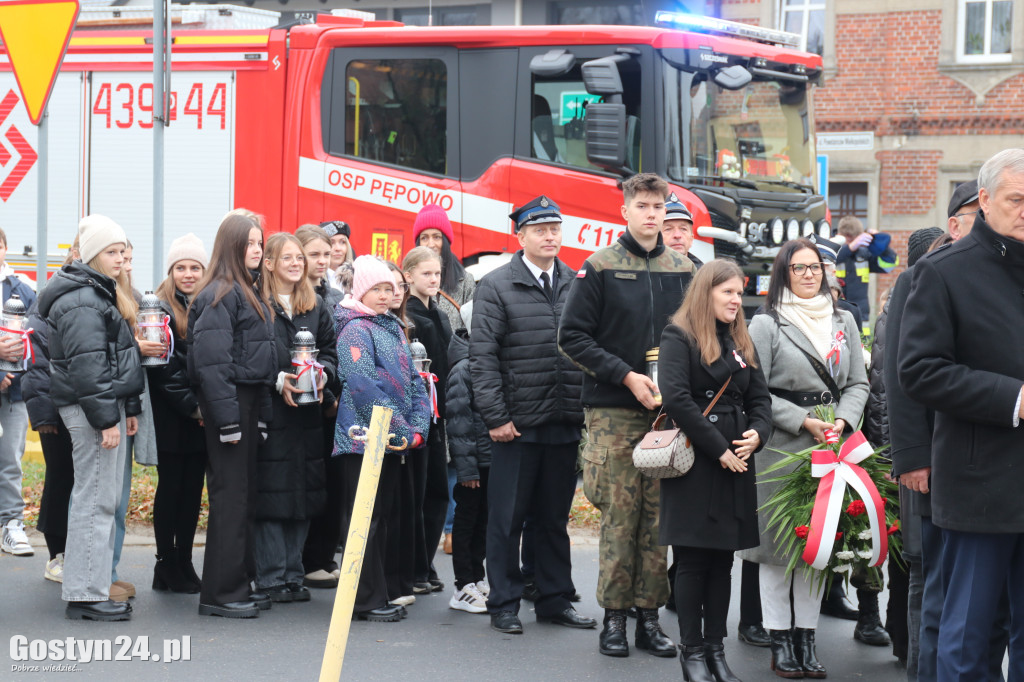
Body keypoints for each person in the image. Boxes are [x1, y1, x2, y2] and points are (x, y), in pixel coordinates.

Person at [898, 150, 1024, 681]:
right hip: (981, 487)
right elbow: (919, 370)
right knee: (967, 641)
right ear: (986, 201)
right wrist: (1014, 399)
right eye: (1018, 199)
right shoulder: (943, 272)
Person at [559, 173, 694, 658]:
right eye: (642, 205)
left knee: (660, 522)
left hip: (667, 415)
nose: (652, 214)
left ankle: (649, 618)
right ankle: (614, 619)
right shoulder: (599, 266)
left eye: (659, 206)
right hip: (615, 412)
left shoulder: (685, 268)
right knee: (620, 519)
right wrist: (626, 376)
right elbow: (572, 337)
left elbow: (699, 336)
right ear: (625, 211)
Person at [741, 238, 868, 679]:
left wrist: (844, 421)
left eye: (815, 267)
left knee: (819, 549)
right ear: (784, 273)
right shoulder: (766, 323)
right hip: (782, 445)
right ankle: (780, 640)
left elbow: (858, 383)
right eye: (800, 268)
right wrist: (801, 420)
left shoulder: (844, 319)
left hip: (833, 445)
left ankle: (806, 638)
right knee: (779, 549)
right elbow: (753, 390)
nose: (810, 274)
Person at [471, 195, 593, 634]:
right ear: (519, 235)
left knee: (553, 519)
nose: (549, 236)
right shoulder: (496, 285)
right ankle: (503, 601)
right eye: (540, 229)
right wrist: (495, 416)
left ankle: (555, 598)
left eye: (555, 228)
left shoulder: (576, 281)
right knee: (507, 519)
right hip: (516, 425)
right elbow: (481, 359)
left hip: (563, 419)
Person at [658, 259, 772, 682]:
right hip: (696, 459)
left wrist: (758, 433)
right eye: (728, 292)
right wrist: (719, 448)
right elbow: (676, 399)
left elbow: (761, 399)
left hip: (737, 462)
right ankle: (691, 652)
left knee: (723, 562)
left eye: (739, 293)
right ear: (707, 292)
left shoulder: (741, 340)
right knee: (691, 562)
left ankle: (715, 650)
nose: (736, 300)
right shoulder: (679, 335)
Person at [38, 215, 144, 621]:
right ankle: (85, 594)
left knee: (101, 498)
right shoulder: (82, 298)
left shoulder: (93, 292)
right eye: (112, 252)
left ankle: (94, 587)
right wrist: (106, 419)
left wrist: (127, 410)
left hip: (101, 408)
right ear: (93, 255)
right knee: (95, 499)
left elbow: (111, 361)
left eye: (122, 251)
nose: (120, 259)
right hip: (91, 412)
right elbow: (89, 368)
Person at [188, 209, 276, 619]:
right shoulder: (221, 293)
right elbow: (211, 364)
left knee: (244, 499)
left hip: (247, 402)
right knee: (230, 500)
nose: (257, 250)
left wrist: (258, 415)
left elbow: (259, 363)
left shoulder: (248, 289)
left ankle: (237, 584)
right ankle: (220, 594)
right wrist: (227, 421)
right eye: (250, 243)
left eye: (260, 243)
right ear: (232, 246)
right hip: (230, 404)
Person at [334, 255, 430, 622]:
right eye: (377, 288)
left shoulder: (390, 325)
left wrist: (418, 428)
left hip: (389, 439)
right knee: (364, 521)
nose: (385, 295)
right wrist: (401, 429)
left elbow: (414, 383)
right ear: (360, 290)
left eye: (390, 288)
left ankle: (378, 591)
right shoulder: (354, 329)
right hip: (361, 440)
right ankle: (364, 599)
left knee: (382, 516)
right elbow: (361, 385)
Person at [253, 233, 338, 604]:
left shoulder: (315, 304)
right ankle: (270, 577)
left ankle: (292, 574)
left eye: (298, 258)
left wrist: (324, 375)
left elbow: (332, 353)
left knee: (304, 495)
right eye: (286, 258)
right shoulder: (256, 303)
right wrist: (277, 379)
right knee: (272, 498)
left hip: (308, 415)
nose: (295, 264)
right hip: (271, 413)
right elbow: (249, 356)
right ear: (268, 263)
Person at [148, 233, 209, 594]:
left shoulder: (210, 304)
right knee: (170, 490)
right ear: (171, 271)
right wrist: (192, 406)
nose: (188, 274)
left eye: (195, 267)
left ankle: (184, 561)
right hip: (173, 416)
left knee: (192, 492)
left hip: (201, 416)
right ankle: (164, 564)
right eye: (181, 267)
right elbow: (163, 369)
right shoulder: (158, 307)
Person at [295, 224, 347, 589]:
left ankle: (324, 554)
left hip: (331, 400)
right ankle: (307, 558)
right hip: (306, 403)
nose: (321, 261)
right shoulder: (296, 297)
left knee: (332, 483)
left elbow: (334, 352)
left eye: (326, 254)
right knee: (307, 483)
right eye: (314, 254)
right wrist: (327, 397)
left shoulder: (335, 294)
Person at [403, 246, 452, 594]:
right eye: (426, 274)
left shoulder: (440, 313)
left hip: (440, 414)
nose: (433, 280)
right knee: (418, 494)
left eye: (437, 273)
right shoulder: (409, 316)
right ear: (408, 276)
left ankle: (425, 562)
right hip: (418, 414)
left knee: (436, 492)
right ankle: (415, 565)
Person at [446, 306, 492, 614]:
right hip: (473, 464)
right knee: (467, 521)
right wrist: (467, 469)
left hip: (490, 459)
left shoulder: (488, 361)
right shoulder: (464, 368)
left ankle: (478, 576)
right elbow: (459, 424)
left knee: (484, 522)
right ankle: (463, 584)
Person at [0, 227, 36, 558]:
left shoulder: (23, 290)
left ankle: (11, 525)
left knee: (10, 460)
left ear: (5, 248)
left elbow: (39, 340)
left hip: (13, 392)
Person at [834, 217, 899, 331]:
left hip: (861, 316)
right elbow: (827, 260)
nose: (853, 243)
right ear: (840, 235)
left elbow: (890, 264)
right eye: (848, 239)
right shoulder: (832, 249)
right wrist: (849, 248)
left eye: (854, 239)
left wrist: (880, 245)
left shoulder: (863, 254)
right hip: (836, 313)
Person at [662, 193, 703, 268]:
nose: (677, 235)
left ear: (691, 239)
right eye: (668, 229)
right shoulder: (644, 273)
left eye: (683, 229)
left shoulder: (705, 277)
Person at [320, 220, 354, 291]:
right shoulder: (314, 280)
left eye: (342, 242)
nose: (338, 248)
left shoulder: (357, 278)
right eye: (331, 243)